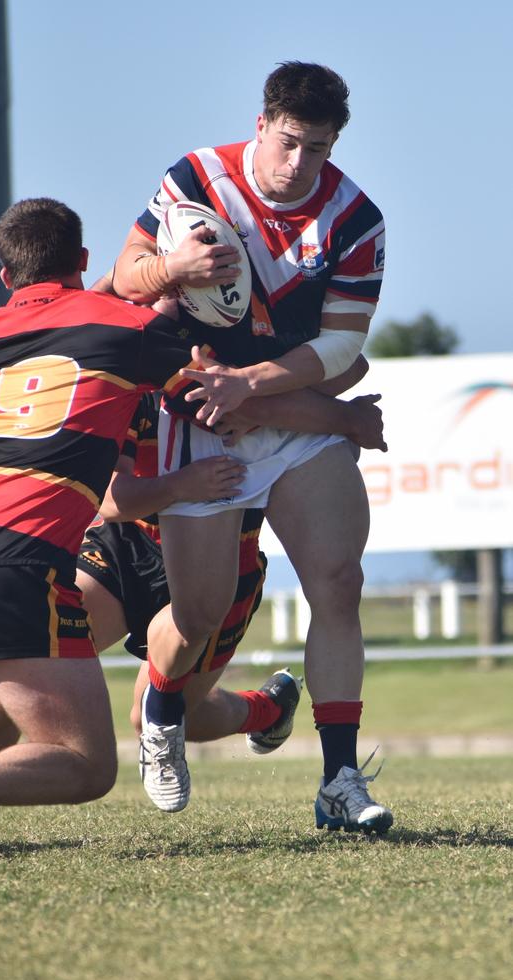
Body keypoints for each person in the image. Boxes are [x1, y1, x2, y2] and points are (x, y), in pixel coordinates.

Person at [0, 375, 387, 859]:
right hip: (126, 545)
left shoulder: (248, 359)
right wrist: (184, 483)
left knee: (153, 715)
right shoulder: (128, 369)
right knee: (31, 668)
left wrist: (312, 410)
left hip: (226, 561)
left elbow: (343, 363)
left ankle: (264, 712)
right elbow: (111, 502)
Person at [0, 196, 207, 862]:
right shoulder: (122, 332)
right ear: (82, 260)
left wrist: (147, 275)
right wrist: (171, 272)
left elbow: (83, 311)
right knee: (84, 764)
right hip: (15, 554)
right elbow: (211, 378)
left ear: (4, 274)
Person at [112, 61, 393, 833]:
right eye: (292, 142)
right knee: (197, 613)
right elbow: (122, 280)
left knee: (338, 582)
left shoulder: (355, 218)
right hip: (195, 416)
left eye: (320, 148)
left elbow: (342, 348)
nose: (301, 163)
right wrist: (174, 266)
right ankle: (162, 713)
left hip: (284, 416)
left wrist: (254, 384)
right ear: (264, 123)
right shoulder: (195, 177)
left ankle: (340, 779)